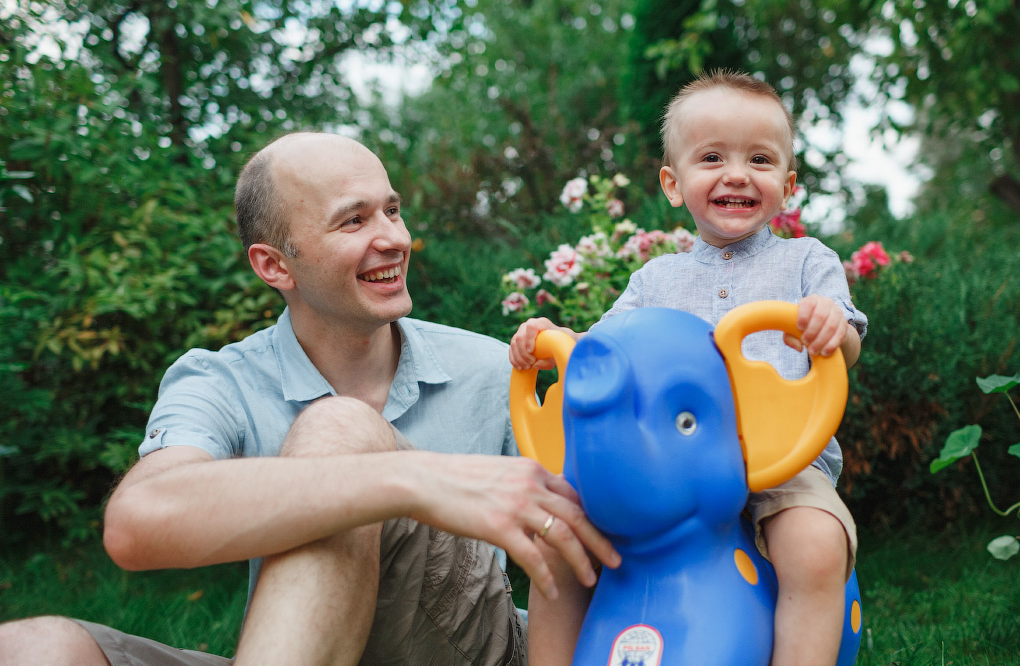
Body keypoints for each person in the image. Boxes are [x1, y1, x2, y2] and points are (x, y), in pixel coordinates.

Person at [0, 133, 621, 666]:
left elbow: (583, 545)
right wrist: (409, 480)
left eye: (393, 211)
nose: (394, 239)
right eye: (354, 220)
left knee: (340, 431)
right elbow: (137, 523)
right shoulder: (219, 380)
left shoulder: (488, 368)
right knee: (34, 649)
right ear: (275, 266)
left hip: (471, 652)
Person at [509, 70, 867, 666]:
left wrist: (829, 328)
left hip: (776, 464)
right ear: (674, 185)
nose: (736, 174)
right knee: (559, 537)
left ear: (788, 183)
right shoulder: (656, 279)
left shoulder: (808, 261)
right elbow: (603, 353)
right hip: (660, 465)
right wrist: (552, 340)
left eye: (759, 158)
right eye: (712, 157)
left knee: (816, 545)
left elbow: (848, 343)